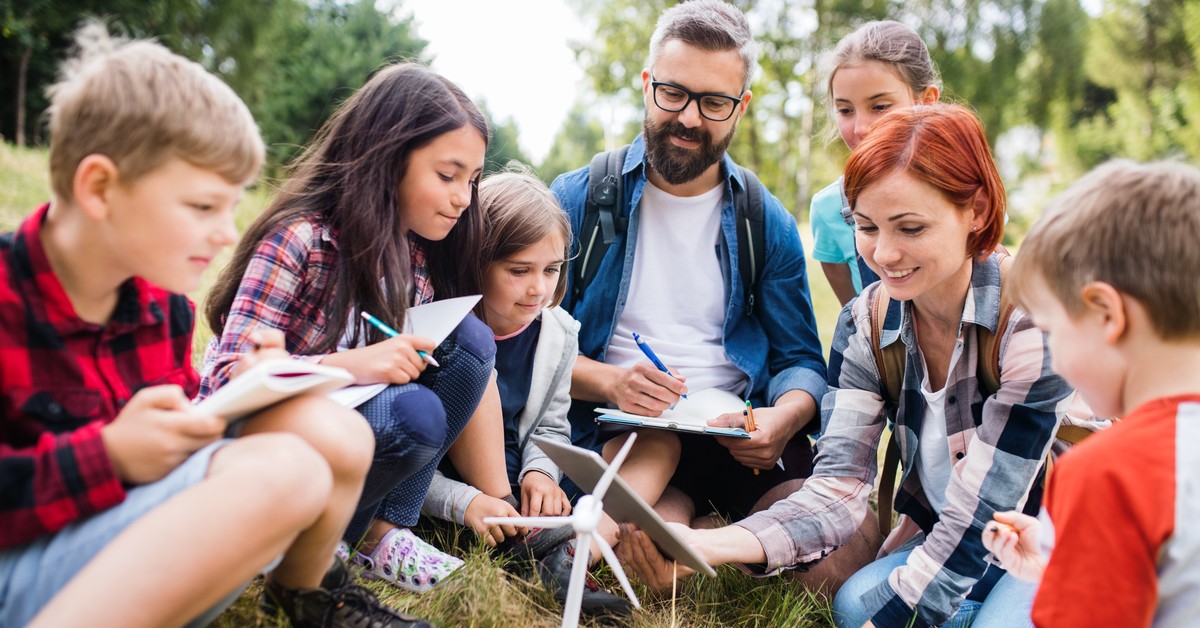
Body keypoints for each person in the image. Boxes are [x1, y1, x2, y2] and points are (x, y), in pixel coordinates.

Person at [0, 24, 422, 627]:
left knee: (324, 442)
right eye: (202, 207)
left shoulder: (162, 310)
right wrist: (108, 456)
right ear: (99, 187)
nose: (228, 233)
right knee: (290, 473)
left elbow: (170, 447)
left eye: (231, 206)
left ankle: (309, 596)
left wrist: (247, 392)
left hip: (107, 542)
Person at [617, 104, 1088, 628]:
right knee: (853, 603)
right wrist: (710, 544)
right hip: (949, 540)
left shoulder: (1033, 319)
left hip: (1059, 540)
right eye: (867, 227)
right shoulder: (866, 322)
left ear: (975, 210)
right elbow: (836, 490)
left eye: (910, 228)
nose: (884, 254)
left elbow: (980, 514)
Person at [551, 0, 851, 571]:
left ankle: (680, 534)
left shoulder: (766, 221)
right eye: (673, 93)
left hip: (735, 444)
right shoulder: (580, 199)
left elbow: (801, 362)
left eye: (713, 102)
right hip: (614, 435)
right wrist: (613, 383)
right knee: (651, 472)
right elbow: (524, 342)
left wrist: (781, 421)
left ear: (741, 107)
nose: (688, 118)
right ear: (646, 85)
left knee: (830, 558)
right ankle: (681, 534)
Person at [201, 62, 496, 594]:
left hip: (351, 432)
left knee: (470, 343)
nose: (463, 199)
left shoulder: (414, 254)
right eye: (447, 176)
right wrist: (347, 367)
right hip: (269, 445)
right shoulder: (301, 239)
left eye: (472, 181)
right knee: (415, 413)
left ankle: (379, 533)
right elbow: (224, 381)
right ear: (388, 157)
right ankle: (303, 543)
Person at [982, 160, 1200, 626]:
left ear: (1105, 313)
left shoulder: (1105, 475)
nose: (1054, 359)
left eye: (1051, 329)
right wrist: (1068, 556)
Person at [422, 167, 631, 615]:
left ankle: (556, 563)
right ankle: (533, 551)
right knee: (483, 374)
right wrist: (465, 501)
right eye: (519, 271)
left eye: (552, 269)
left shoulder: (557, 334)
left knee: (611, 523)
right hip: (458, 491)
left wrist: (541, 473)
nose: (538, 288)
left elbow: (552, 423)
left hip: (520, 486)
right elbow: (412, 454)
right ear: (476, 262)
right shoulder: (447, 333)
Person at [811, 20, 940, 306]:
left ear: (926, 101)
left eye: (880, 107)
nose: (860, 128)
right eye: (845, 110)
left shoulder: (960, 187)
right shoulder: (829, 209)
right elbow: (855, 320)